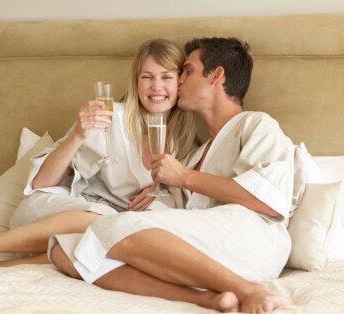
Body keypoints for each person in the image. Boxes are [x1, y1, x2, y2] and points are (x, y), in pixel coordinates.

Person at [49, 37, 295, 313]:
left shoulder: (257, 124)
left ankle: (250, 291)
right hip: (206, 253)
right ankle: (209, 299)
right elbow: (183, 210)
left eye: (187, 71)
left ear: (217, 75)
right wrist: (156, 195)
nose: (178, 82)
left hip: (253, 241)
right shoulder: (194, 153)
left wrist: (184, 178)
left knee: (112, 228)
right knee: (64, 251)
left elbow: (268, 200)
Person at [0, 38, 197, 266]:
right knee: (103, 222)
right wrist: (79, 134)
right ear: (136, 83)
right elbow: (42, 183)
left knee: (121, 236)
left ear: (180, 83)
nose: (157, 87)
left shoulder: (186, 140)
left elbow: (185, 197)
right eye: (147, 77)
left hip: (107, 229)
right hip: (58, 212)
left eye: (166, 77)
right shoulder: (109, 117)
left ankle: (6, 268)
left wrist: (160, 186)